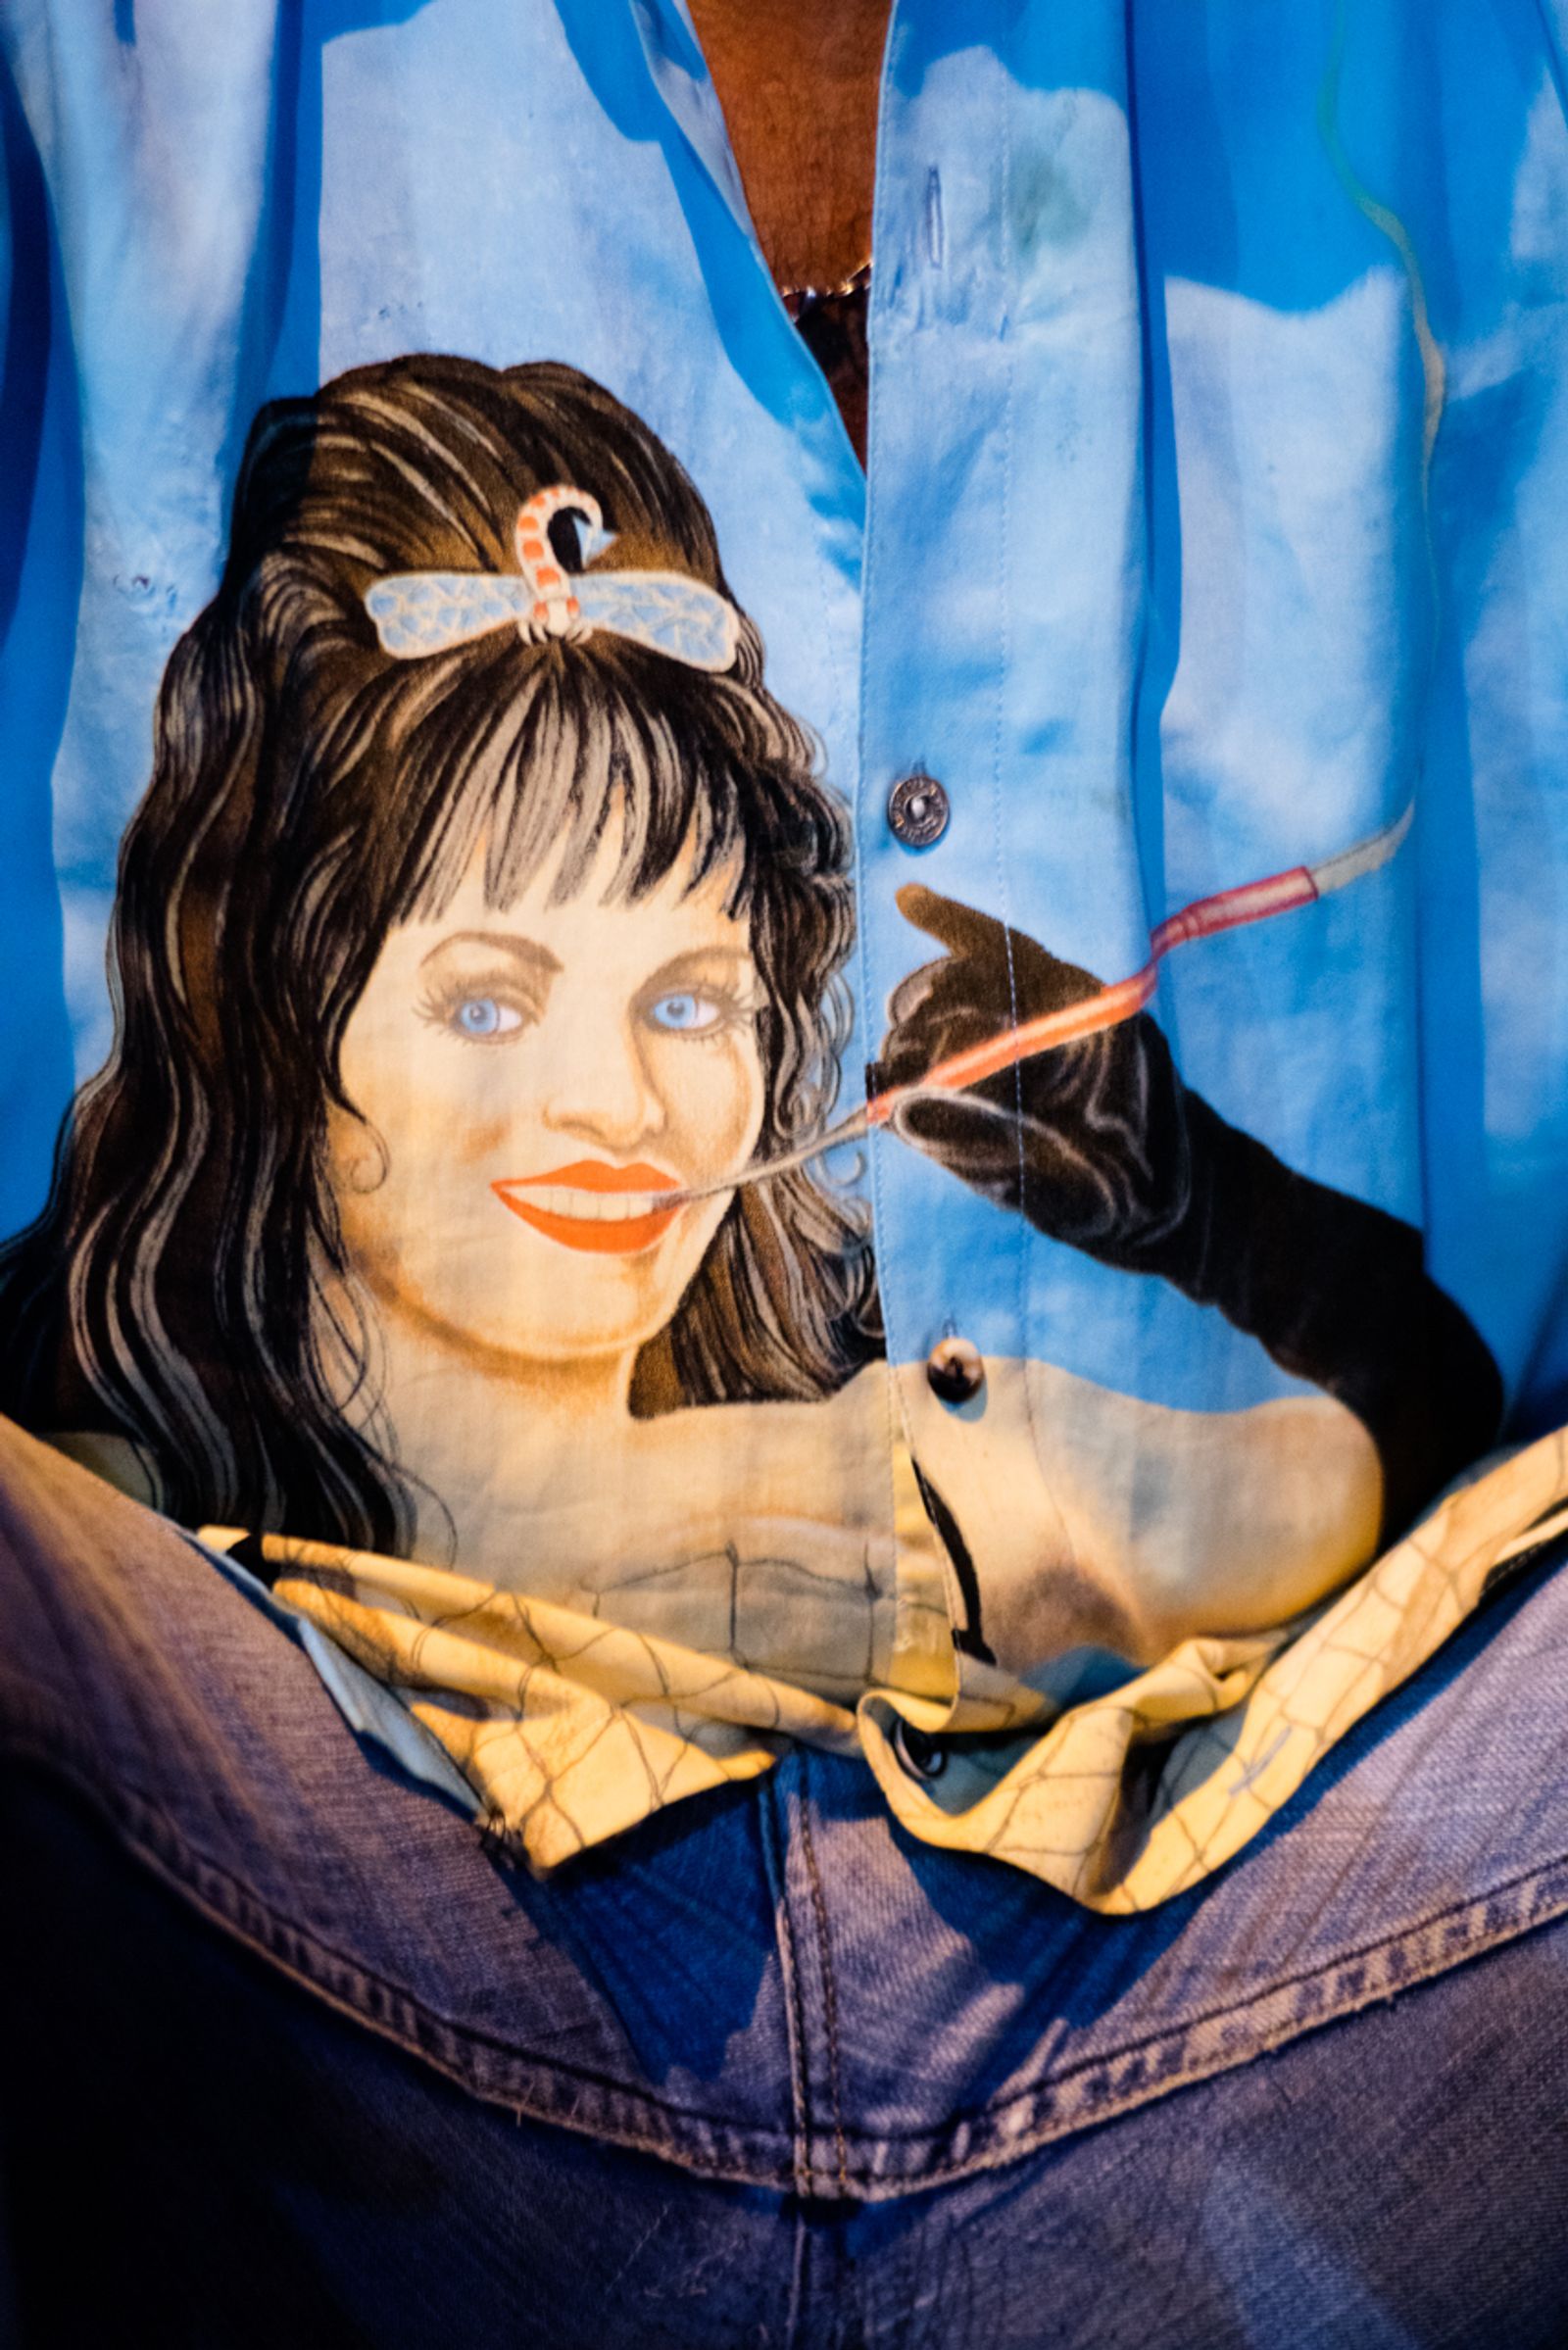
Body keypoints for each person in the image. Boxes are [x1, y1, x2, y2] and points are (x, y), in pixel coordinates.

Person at [6, 0, 1568, 2338]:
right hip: (282, 1976)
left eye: (686, 1002)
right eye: (480, 997)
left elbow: (1336, 1467)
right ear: (274, 993)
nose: (614, 1111)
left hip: (1283, 1935)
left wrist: (1187, 1207)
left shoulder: (911, 1458)